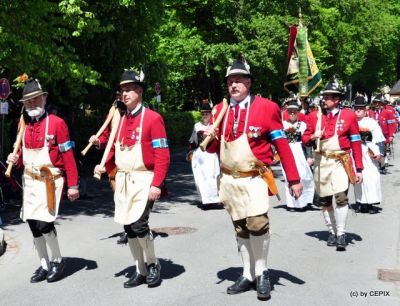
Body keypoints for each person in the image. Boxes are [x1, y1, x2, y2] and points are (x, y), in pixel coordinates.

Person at [205, 58, 302, 301]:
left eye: (238, 80)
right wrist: (207, 137)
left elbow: (282, 144)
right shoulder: (220, 110)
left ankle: (262, 272)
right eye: (230, 81)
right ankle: (247, 273)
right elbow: (211, 149)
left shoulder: (267, 108)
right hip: (229, 180)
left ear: (249, 82)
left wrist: (293, 179)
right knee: (241, 227)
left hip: (255, 178)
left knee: (258, 224)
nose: (233, 85)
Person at [94, 70, 170, 288]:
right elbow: (113, 147)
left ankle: (153, 264)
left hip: (145, 179)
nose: (124, 94)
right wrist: (101, 151)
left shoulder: (153, 119)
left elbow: (162, 154)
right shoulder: (120, 120)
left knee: (139, 224)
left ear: (139, 91)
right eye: (122, 91)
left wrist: (157, 183)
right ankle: (140, 269)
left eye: (128, 90)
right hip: (123, 180)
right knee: (128, 226)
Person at [7, 78, 80, 283]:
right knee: (32, 224)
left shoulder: (57, 123)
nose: (33, 104)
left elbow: (68, 156)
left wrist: (73, 185)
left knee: (44, 224)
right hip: (29, 182)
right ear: (24, 104)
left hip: (50, 181)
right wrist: (15, 158)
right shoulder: (23, 125)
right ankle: (44, 264)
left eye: (36, 99)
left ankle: (57, 261)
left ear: (44, 99)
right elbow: (22, 156)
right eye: (28, 101)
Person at [303, 76, 363, 251]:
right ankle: (332, 230)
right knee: (324, 199)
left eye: (328, 97)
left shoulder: (349, 116)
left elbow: (356, 142)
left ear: (337, 99)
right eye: (324, 96)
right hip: (321, 161)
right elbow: (305, 138)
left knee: (341, 197)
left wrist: (359, 168)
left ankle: (341, 233)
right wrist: (313, 136)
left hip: (340, 161)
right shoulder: (314, 116)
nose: (324, 99)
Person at [352, 95, 385, 214]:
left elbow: (379, 139)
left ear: (365, 109)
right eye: (356, 108)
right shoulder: (351, 122)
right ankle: (361, 202)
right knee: (358, 178)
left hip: (369, 152)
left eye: (360, 108)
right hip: (355, 152)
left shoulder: (372, 122)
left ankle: (371, 203)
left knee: (371, 178)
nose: (358, 110)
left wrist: (380, 153)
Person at [282, 98, 315, 212]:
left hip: (300, 153)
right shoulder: (283, 125)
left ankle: (304, 202)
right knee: (288, 178)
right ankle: (291, 204)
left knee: (304, 176)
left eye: (294, 111)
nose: (292, 113)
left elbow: (307, 142)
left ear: (298, 113)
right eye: (290, 111)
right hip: (287, 153)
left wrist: (310, 156)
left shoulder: (303, 125)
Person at [188, 103, 221, 210]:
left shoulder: (215, 126)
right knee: (200, 178)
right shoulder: (197, 126)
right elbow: (193, 141)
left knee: (213, 177)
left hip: (211, 155)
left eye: (207, 113)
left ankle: (214, 200)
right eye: (203, 114)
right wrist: (189, 152)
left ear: (211, 114)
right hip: (200, 156)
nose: (205, 115)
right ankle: (205, 201)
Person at [371, 94, 396, 174]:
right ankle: (377, 164)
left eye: (379, 103)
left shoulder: (387, 112)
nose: (377, 105)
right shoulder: (372, 113)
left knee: (382, 150)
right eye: (376, 103)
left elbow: (392, 124)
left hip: (384, 135)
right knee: (374, 150)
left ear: (382, 104)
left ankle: (382, 165)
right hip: (373, 135)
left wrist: (391, 135)